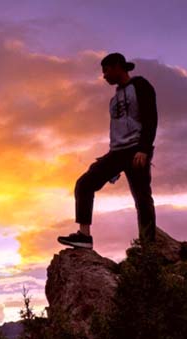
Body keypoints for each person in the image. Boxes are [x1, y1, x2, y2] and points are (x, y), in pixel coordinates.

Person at [58, 52, 158, 249]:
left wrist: (144, 149)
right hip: (117, 152)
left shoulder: (140, 86)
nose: (104, 75)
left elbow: (151, 117)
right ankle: (84, 236)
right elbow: (117, 129)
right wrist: (110, 156)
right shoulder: (113, 100)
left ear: (118, 66)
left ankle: (149, 249)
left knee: (142, 198)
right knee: (85, 184)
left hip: (137, 150)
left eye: (106, 70)